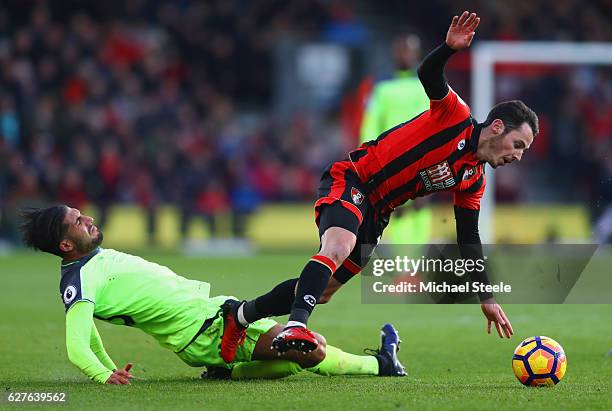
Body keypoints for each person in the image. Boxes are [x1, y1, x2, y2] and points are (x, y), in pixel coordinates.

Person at [221, 11, 537, 360]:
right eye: (518, 145)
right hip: (354, 178)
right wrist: (448, 49)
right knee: (338, 247)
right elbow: (428, 74)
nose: (518, 156)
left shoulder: (473, 178)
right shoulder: (456, 116)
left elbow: (468, 237)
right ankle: (297, 324)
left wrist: (486, 296)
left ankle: (240, 315)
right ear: (496, 128)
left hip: (380, 210)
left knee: (322, 289)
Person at [19, 205, 407, 384]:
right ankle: (382, 366)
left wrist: (109, 366)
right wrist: (103, 376)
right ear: (66, 245)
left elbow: (89, 335)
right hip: (201, 332)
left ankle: (229, 369)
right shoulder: (80, 280)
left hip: (211, 312)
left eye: (79, 213)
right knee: (314, 348)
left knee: (300, 341)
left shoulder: (93, 263)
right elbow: (76, 341)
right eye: (76, 222)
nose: (86, 218)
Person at [359, 32, 433, 248]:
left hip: (423, 155)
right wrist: (366, 155)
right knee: (398, 207)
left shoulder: (428, 81)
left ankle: (416, 262)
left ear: (416, 53)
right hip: (391, 157)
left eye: (409, 49)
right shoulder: (381, 85)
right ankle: (403, 263)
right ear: (394, 52)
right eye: (401, 49)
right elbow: (371, 122)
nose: (405, 54)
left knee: (421, 205)